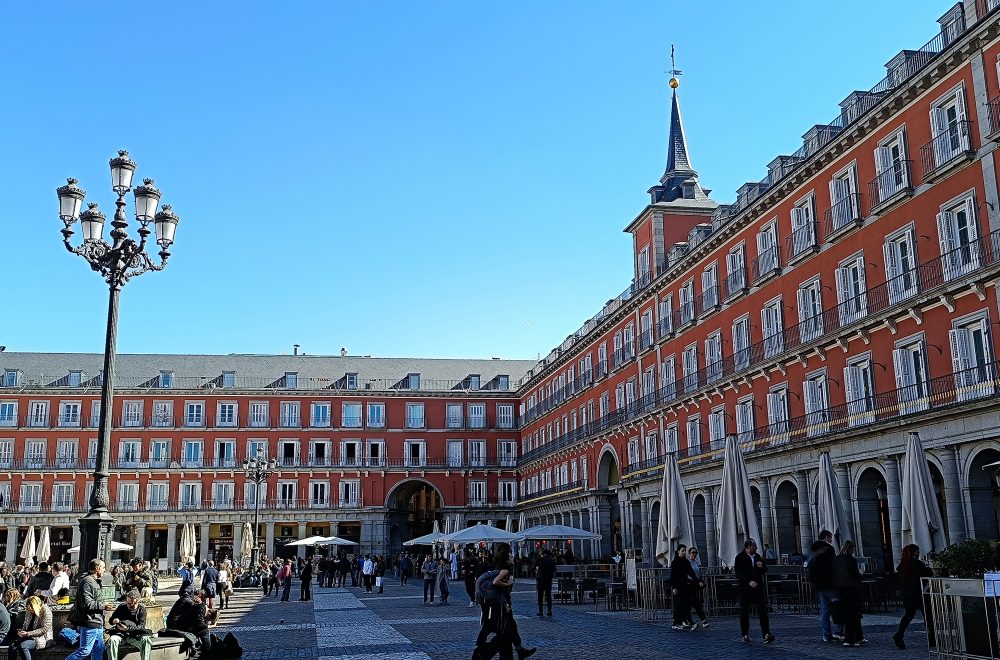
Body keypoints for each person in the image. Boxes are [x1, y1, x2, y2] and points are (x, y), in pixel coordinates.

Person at [472, 548, 536, 660]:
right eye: (511, 557)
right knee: (505, 634)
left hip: (494, 606)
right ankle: (482, 652)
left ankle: (518, 651)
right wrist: (508, 584)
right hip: (501, 607)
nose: (513, 558)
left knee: (507, 629)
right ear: (506, 560)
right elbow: (496, 583)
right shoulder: (504, 571)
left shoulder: (496, 569)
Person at [893, 543, 934, 649]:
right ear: (913, 553)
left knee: (908, 616)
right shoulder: (918, 564)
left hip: (908, 594)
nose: (918, 553)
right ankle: (932, 638)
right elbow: (929, 573)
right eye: (917, 552)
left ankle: (899, 634)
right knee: (928, 616)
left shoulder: (902, 565)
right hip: (919, 593)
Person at [66, 558, 106, 660]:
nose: (105, 570)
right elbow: (87, 604)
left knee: (98, 651)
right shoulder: (88, 582)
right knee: (84, 651)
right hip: (89, 622)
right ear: (97, 568)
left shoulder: (94, 581)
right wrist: (103, 605)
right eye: (103, 568)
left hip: (97, 622)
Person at [735, 539, 774, 644]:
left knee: (762, 610)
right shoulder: (739, 557)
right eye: (754, 547)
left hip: (758, 588)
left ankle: (766, 633)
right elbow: (739, 574)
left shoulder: (757, 556)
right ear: (749, 547)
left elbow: (764, 570)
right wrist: (749, 581)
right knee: (744, 611)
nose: (756, 549)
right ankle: (745, 634)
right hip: (745, 589)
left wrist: (762, 567)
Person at [808, 530, 844, 643]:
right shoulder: (829, 549)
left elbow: (810, 565)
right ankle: (838, 632)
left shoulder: (815, 551)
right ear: (827, 537)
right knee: (838, 607)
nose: (831, 540)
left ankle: (826, 635)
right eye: (831, 538)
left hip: (820, 586)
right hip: (830, 584)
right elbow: (834, 566)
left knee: (824, 611)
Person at [832, 540, 865, 647]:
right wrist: (860, 574)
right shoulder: (850, 560)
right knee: (852, 615)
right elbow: (855, 574)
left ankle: (858, 637)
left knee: (848, 614)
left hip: (839, 590)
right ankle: (850, 638)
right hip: (851, 589)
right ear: (851, 549)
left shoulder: (836, 559)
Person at [105, 590, 152, 660]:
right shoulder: (122, 607)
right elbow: (111, 620)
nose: (129, 605)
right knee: (112, 640)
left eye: (132, 603)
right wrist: (114, 620)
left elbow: (141, 626)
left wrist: (127, 629)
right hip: (120, 634)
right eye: (128, 603)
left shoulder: (142, 610)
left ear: (137, 601)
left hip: (134, 636)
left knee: (146, 640)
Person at [166, 588, 211, 656]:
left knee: (199, 627)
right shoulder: (188, 601)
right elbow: (197, 614)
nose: (201, 601)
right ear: (198, 596)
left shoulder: (188, 599)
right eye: (201, 599)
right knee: (202, 628)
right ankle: (206, 652)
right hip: (174, 624)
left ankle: (201, 649)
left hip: (176, 623)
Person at [9, 595, 51, 660]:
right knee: (12, 645)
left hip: (41, 638)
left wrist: (28, 633)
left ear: (34, 606)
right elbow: (25, 625)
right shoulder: (29, 611)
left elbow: (44, 629)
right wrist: (21, 631)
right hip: (28, 636)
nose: (29, 611)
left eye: (31, 609)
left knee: (23, 646)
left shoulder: (46, 611)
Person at [669, 544, 694, 631]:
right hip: (678, 586)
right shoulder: (675, 562)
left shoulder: (686, 562)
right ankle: (676, 623)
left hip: (685, 586)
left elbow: (691, 572)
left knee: (684, 604)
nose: (684, 552)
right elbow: (673, 576)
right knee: (679, 604)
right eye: (682, 551)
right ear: (678, 551)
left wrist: (697, 580)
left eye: (685, 551)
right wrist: (674, 587)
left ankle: (683, 621)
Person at [686, 547, 709, 628]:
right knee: (695, 603)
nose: (694, 554)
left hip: (695, 585)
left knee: (693, 603)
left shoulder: (695, 562)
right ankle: (702, 620)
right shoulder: (686, 562)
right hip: (688, 585)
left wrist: (701, 581)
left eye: (696, 553)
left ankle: (691, 621)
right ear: (689, 553)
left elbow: (698, 574)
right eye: (693, 552)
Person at [533, 550, 555, 618]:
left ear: (543, 553)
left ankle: (540, 611)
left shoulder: (539, 559)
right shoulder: (551, 560)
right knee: (548, 595)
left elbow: (533, 567)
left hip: (540, 578)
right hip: (548, 579)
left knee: (540, 595)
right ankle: (549, 611)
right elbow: (554, 569)